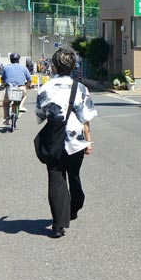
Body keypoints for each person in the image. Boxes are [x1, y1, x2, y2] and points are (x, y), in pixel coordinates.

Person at [34, 48, 97, 238]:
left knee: (55, 176)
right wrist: (88, 141)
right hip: (75, 139)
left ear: (54, 66)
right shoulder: (81, 89)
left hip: (54, 138)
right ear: (73, 66)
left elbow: (40, 116)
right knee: (74, 174)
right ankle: (75, 206)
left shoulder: (45, 88)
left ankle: (58, 225)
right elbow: (86, 118)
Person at [1, 53, 33, 124]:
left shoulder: (6, 68)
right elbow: (29, 79)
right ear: (18, 60)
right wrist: (28, 85)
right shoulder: (24, 68)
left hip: (10, 88)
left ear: (10, 60)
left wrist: (3, 85)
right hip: (21, 88)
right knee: (24, 94)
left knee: (6, 103)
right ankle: (21, 106)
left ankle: (6, 119)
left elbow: (3, 79)